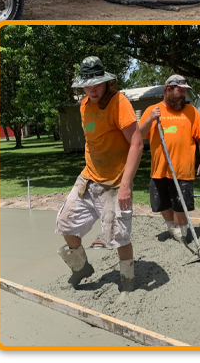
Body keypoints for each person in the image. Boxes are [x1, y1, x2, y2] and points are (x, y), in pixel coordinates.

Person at [55, 56, 143, 301]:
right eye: (87, 83)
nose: (92, 88)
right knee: (65, 223)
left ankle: (128, 281)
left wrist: (126, 185)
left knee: (118, 237)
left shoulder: (119, 103)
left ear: (106, 81)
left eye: (97, 83)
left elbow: (136, 143)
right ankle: (82, 267)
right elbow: (93, 142)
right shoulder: (84, 105)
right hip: (89, 178)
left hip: (115, 182)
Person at [138, 74, 200, 244]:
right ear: (168, 89)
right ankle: (173, 229)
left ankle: (182, 234)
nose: (183, 95)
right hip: (159, 169)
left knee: (180, 205)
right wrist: (150, 119)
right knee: (162, 204)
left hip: (182, 169)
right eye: (180, 91)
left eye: (185, 92)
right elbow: (139, 135)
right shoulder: (152, 110)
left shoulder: (191, 112)